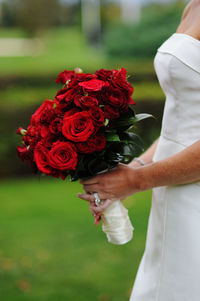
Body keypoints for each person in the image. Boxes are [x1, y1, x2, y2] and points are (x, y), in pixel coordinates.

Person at [78, 0, 200, 300]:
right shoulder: (192, 6)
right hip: (170, 186)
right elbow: (183, 121)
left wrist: (136, 181)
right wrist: (134, 169)